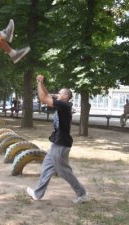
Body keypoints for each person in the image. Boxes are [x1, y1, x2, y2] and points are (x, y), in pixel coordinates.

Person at [26, 74, 88, 204]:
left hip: (61, 144)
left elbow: (43, 98)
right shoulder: (62, 104)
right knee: (46, 167)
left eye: (60, 93)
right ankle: (38, 194)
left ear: (65, 96)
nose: (57, 95)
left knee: (64, 171)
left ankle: (81, 192)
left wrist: (38, 81)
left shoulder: (64, 105)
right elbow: (47, 95)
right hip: (57, 143)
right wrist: (42, 83)